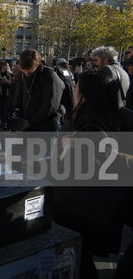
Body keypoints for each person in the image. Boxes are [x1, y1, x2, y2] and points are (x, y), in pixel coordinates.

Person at [53, 71, 133, 279]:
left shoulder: (82, 125)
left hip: (77, 210)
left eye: (77, 87)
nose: (74, 91)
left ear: (86, 94)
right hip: (105, 211)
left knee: (79, 262)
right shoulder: (121, 119)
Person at [12, 49, 64, 131]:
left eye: (28, 70)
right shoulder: (23, 75)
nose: (26, 73)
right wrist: (17, 109)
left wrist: (30, 122)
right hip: (29, 123)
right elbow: (19, 94)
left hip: (47, 124)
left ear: (36, 65)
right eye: (23, 70)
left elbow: (50, 105)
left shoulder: (49, 75)